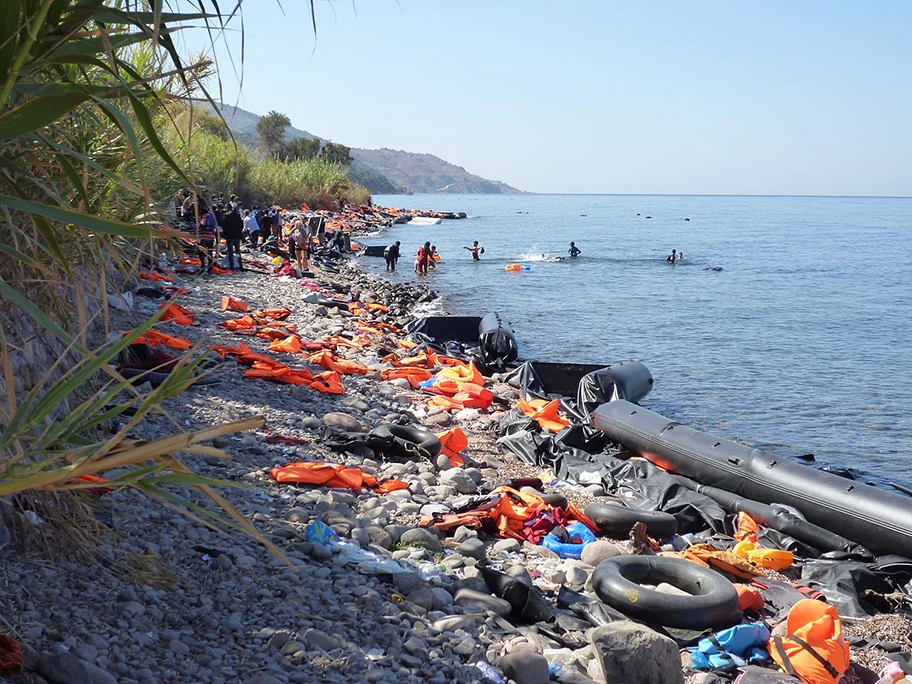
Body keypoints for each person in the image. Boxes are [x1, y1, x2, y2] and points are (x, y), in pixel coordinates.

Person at [197, 203, 217, 274]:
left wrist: (198, 223)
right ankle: (210, 268)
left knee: (201, 251)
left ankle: (202, 265)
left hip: (204, 236)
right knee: (210, 252)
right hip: (211, 236)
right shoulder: (212, 217)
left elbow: (202, 223)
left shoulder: (205, 216)